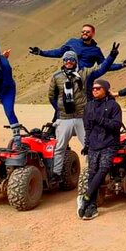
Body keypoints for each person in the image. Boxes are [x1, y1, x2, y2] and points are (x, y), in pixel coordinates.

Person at [48, 44, 118, 186]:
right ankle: (56, 174)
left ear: (76, 61)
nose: (69, 62)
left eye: (72, 60)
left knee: (90, 145)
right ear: (63, 61)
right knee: (60, 147)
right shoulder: (57, 77)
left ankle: (92, 173)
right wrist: (59, 109)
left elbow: (101, 68)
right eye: (66, 59)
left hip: (81, 117)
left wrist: (111, 56)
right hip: (64, 118)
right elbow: (51, 96)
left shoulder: (84, 73)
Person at [77, 79, 122, 220]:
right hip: (94, 144)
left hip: (110, 143)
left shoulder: (114, 106)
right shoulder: (88, 106)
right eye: (93, 88)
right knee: (92, 173)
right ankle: (91, 206)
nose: (95, 90)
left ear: (105, 90)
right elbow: (87, 127)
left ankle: (86, 198)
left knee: (103, 170)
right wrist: (86, 143)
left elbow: (116, 125)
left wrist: (99, 119)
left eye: (98, 88)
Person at [29, 23, 126, 70]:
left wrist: (121, 65)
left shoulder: (95, 50)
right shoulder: (72, 42)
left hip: (85, 78)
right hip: (68, 75)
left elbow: (104, 66)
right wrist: (41, 52)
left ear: (93, 33)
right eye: (83, 31)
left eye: (87, 32)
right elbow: (59, 53)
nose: (84, 33)